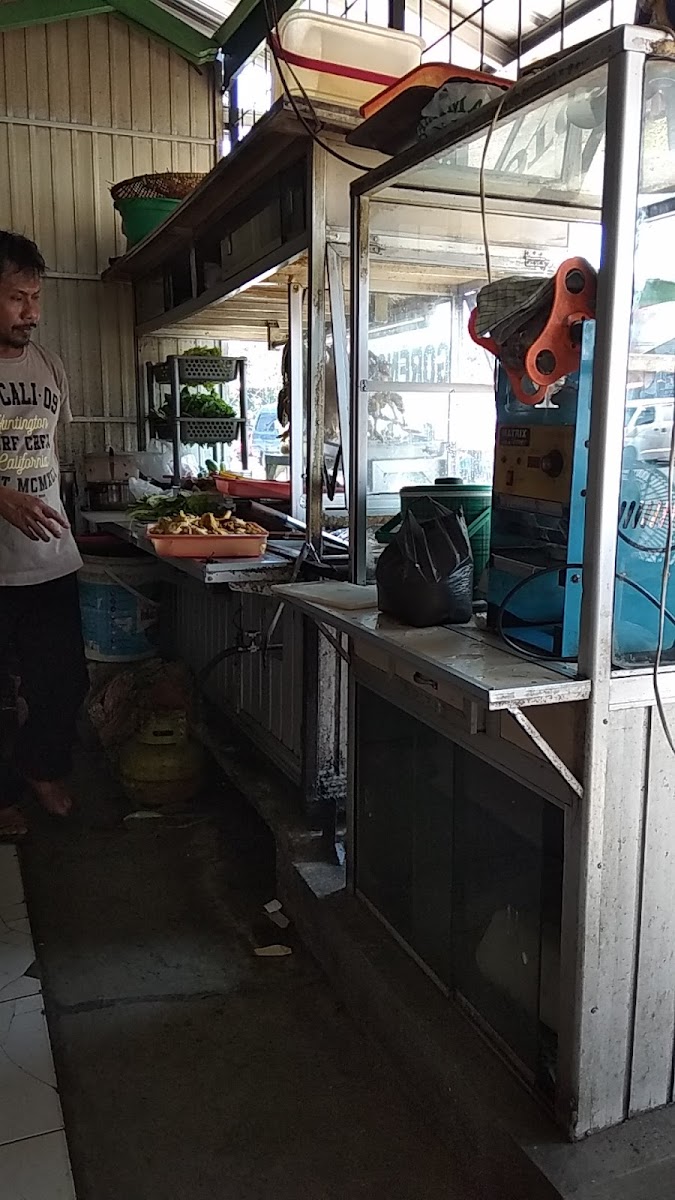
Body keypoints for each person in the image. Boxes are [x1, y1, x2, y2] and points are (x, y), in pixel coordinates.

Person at [0, 231, 88, 838]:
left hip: (50, 559)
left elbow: (52, 454)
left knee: (65, 681)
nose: (32, 312)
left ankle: (38, 767)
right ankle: (2, 797)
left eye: (36, 297)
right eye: (16, 298)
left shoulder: (50, 365)